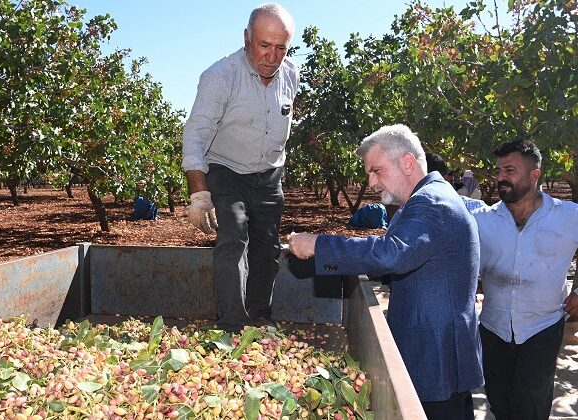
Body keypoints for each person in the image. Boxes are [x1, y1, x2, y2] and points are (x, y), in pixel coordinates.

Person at [289, 124, 483, 420]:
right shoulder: (428, 198)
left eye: (376, 170)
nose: (370, 182)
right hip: (437, 348)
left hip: (434, 355)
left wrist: (320, 245)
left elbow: (392, 253)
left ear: (407, 162)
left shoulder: (430, 203)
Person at [182, 3, 299, 332]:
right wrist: (199, 194)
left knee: (268, 247)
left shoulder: (291, 73)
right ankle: (232, 327)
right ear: (247, 38)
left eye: (281, 48)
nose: (272, 57)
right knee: (232, 235)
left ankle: (260, 318)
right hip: (227, 171)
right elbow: (195, 133)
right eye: (264, 45)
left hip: (270, 175)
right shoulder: (220, 76)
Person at [472, 139, 578, 420]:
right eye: (498, 171)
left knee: (530, 403)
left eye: (510, 170)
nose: (501, 178)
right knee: (499, 401)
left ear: (535, 175)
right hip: (494, 328)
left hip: (542, 326)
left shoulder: (568, 216)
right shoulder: (484, 219)